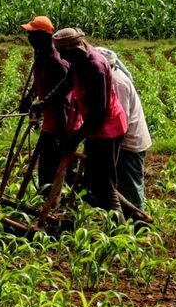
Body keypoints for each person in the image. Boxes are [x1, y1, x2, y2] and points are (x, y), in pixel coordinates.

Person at [40, 28, 128, 212]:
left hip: (108, 129)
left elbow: (98, 112)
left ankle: (119, 223)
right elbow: (66, 85)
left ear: (74, 49)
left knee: (104, 183)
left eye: (64, 53)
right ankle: (122, 215)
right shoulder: (78, 61)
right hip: (95, 128)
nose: (62, 57)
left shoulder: (95, 67)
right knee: (94, 180)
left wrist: (74, 139)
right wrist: (45, 102)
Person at [95, 44, 152, 213]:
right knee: (118, 187)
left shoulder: (116, 82)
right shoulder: (109, 78)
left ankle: (139, 225)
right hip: (118, 142)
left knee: (130, 191)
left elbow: (120, 122)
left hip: (129, 143)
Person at [18, 16, 69, 197]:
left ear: (42, 37)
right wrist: (30, 97)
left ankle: (50, 201)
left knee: (50, 166)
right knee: (45, 165)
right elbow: (39, 82)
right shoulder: (40, 56)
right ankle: (47, 199)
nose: (29, 38)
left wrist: (60, 135)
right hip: (49, 120)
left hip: (58, 124)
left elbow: (64, 98)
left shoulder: (57, 63)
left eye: (31, 34)